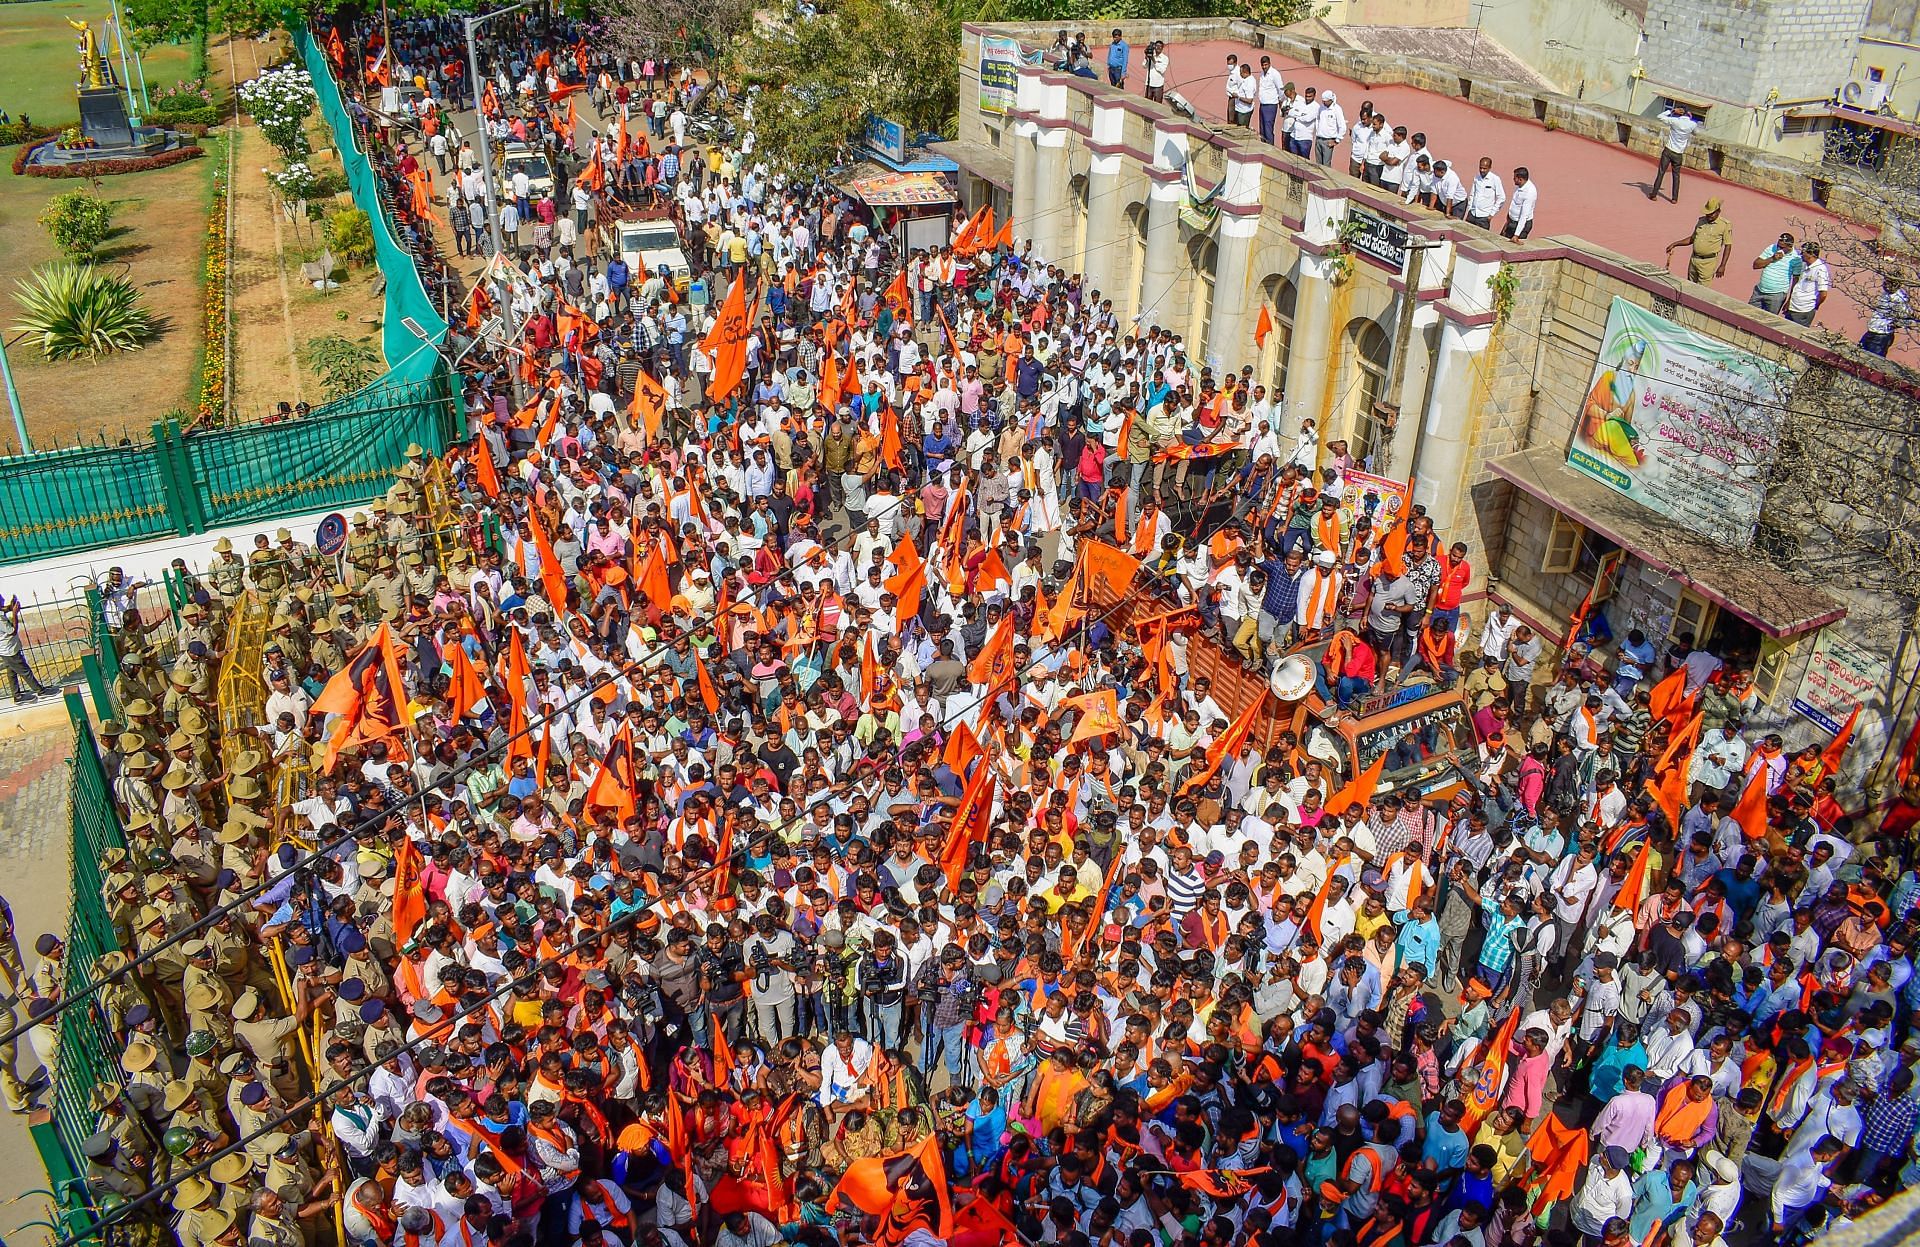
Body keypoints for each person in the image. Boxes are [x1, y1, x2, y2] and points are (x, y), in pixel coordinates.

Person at [1666, 198, 1732, 285]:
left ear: (1718, 212)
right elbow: (1692, 239)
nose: (1709, 216)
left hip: (1708, 263)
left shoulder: (1724, 225)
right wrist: (1675, 244)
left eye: (1711, 214)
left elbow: (1728, 246)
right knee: (1689, 286)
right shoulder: (1701, 221)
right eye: (1707, 214)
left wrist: (1723, 265)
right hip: (1694, 259)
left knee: (1702, 291)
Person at [1650, 106, 1701, 203]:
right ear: (1688, 113)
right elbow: (1696, 133)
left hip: (1668, 150)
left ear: (1680, 113)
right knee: (1676, 175)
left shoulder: (1674, 121)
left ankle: (1654, 194)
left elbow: (1660, 116)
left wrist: (1671, 110)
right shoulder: (1692, 124)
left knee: (1661, 172)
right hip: (1679, 153)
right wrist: (1690, 119)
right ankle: (1674, 198)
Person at [1861, 274, 1911, 356]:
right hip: (1872, 331)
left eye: (1890, 283)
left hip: (1881, 337)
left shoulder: (1899, 298)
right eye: (1886, 282)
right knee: (1859, 354)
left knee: (1872, 360)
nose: (1886, 285)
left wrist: (1893, 325)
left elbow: (1906, 318)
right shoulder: (1886, 294)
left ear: (1897, 284)